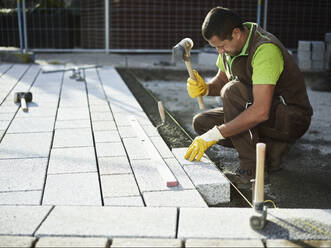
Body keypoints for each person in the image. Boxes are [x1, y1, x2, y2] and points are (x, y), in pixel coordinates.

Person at [184, 7, 313, 189]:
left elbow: (260, 111)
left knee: (232, 93)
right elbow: (222, 79)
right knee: (202, 123)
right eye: (216, 47)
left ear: (236, 33)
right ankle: (268, 149)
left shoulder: (265, 50)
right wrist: (205, 88)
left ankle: (252, 171)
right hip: (262, 111)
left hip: (291, 118)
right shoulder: (231, 49)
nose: (220, 51)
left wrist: (217, 134)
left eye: (221, 46)